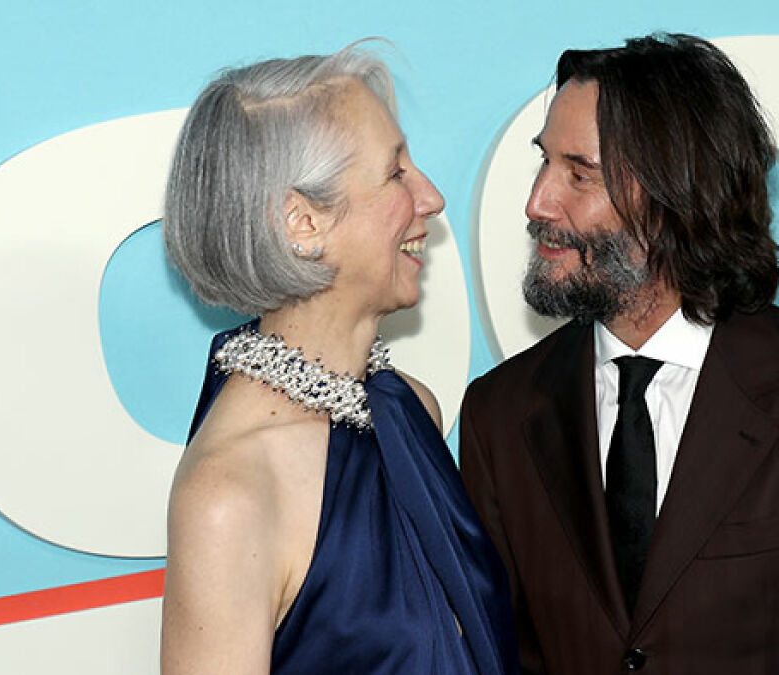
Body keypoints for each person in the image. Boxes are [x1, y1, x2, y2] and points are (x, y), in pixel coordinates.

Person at [459, 33, 779, 674]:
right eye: (544, 163)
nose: (538, 202)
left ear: (675, 195)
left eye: (579, 173)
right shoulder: (501, 415)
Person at [160, 48, 517, 675]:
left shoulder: (408, 409)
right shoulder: (230, 493)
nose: (432, 197)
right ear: (303, 223)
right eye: (395, 172)